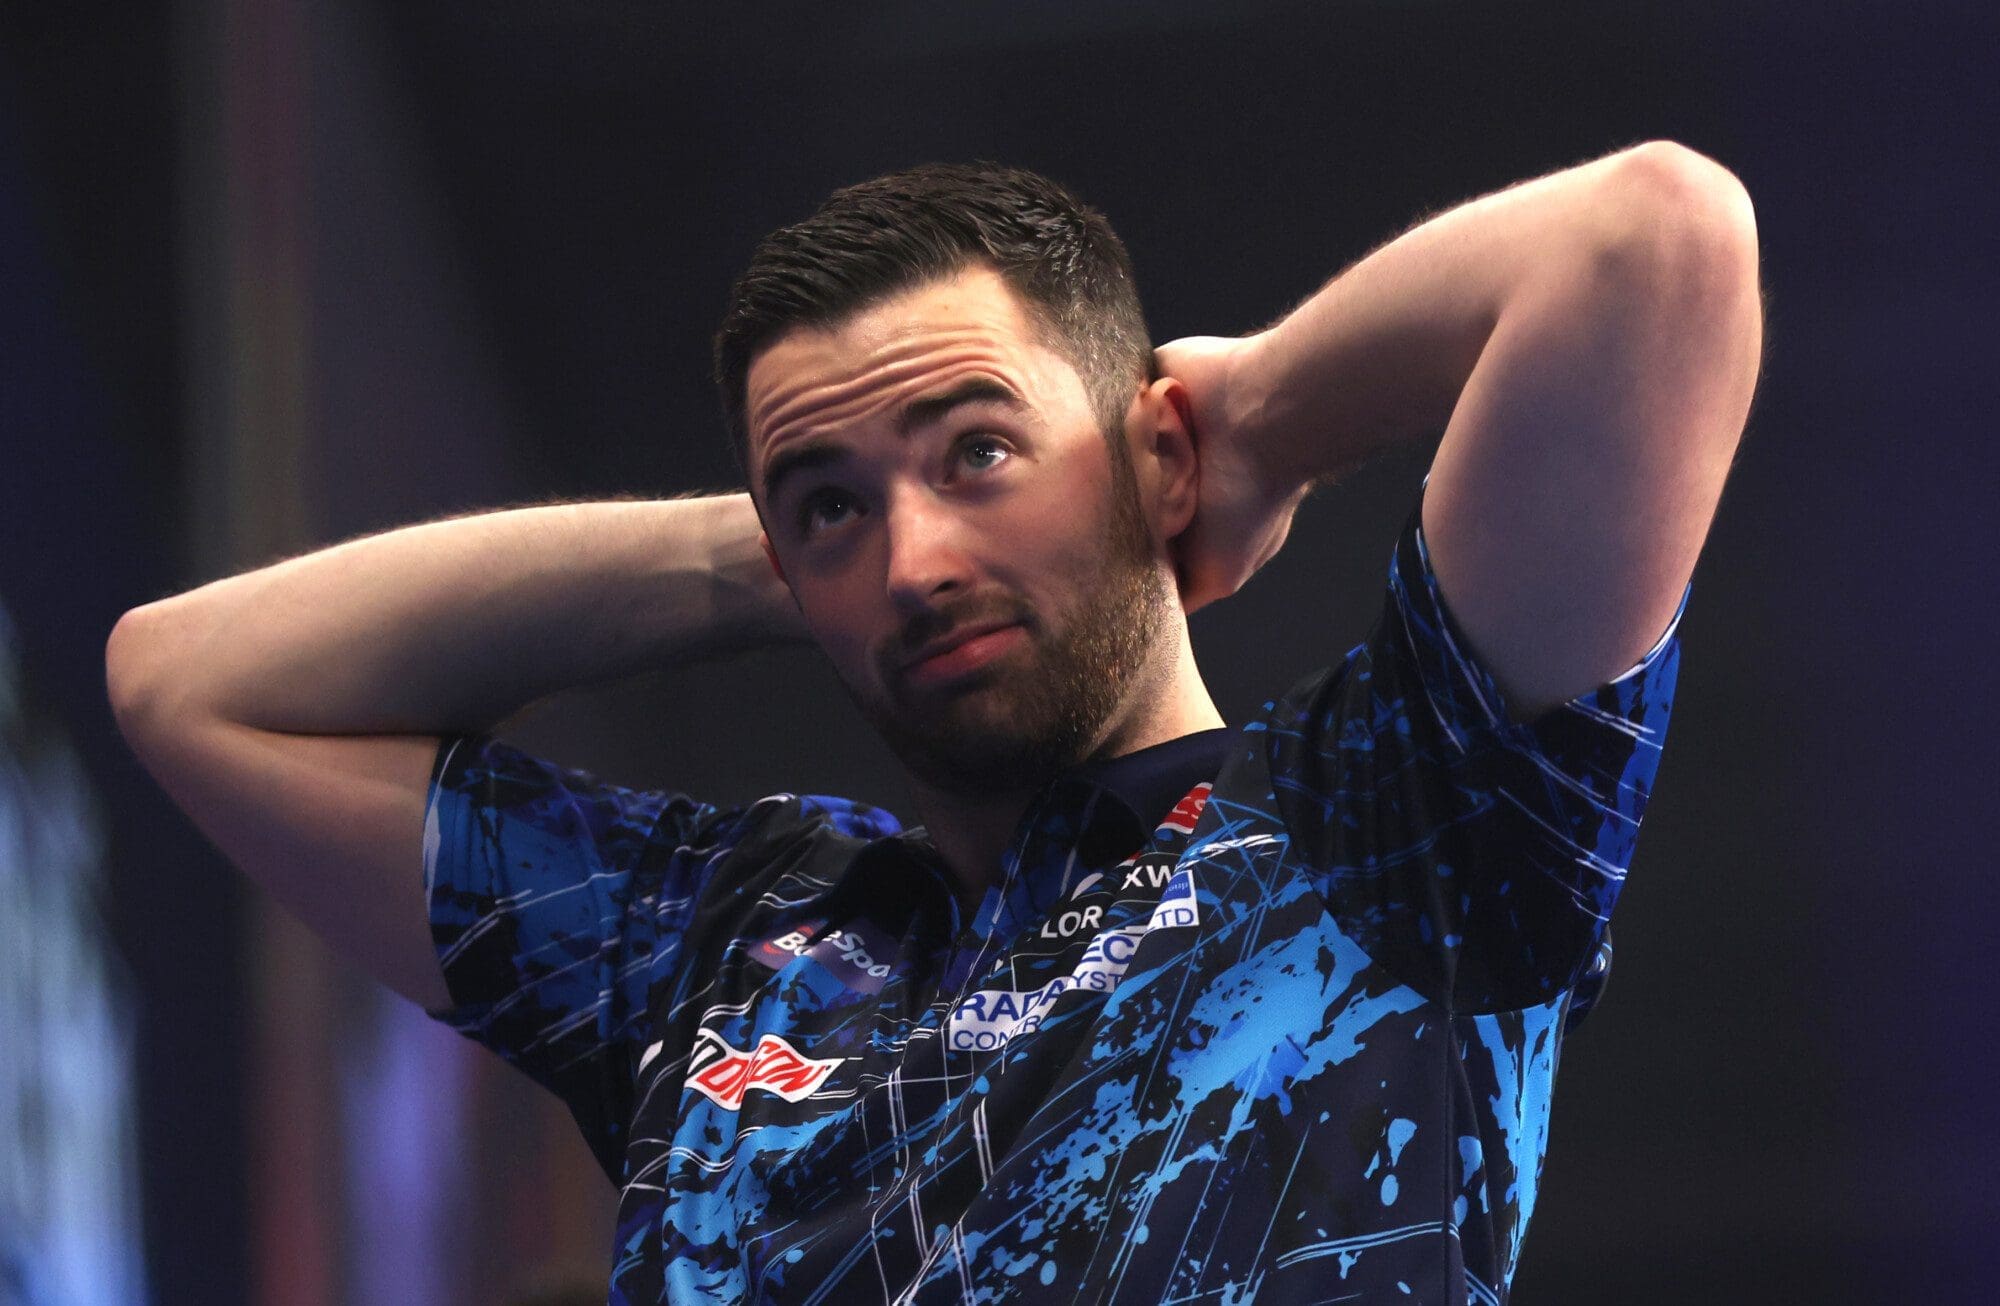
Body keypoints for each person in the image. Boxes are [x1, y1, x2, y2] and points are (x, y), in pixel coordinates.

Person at [106, 144, 1763, 1303]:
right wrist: (748, 557)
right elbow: (190, 684)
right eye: (831, 504)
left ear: (1150, 455)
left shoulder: (1386, 828)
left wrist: (1255, 417)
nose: (913, 564)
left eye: (978, 450)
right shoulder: (728, 939)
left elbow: (1660, 244)